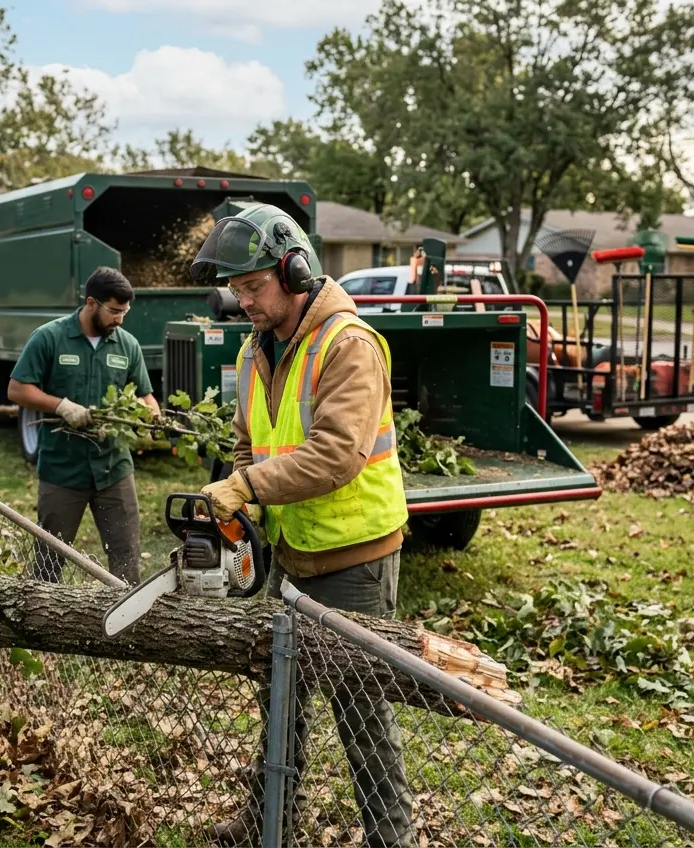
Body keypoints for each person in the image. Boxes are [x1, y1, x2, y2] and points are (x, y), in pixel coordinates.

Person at [192, 203, 414, 847]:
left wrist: (249, 486)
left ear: (294, 271)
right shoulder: (253, 352)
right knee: (280, 695)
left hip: (353, 556)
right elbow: (246, 446)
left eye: (253, 287)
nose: (244, 303)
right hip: (292, 550)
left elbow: (336, 454)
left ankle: (389, 838)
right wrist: (247, 503)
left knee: (361, 708)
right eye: (235, 291)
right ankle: (272, 817)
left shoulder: (349, 345)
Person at [7, 266, 161, 585]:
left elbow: (146, 394)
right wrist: (61, 406)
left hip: (113, 468)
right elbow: (17, 389)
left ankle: (125, 622)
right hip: (63, 469)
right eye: (115, 311)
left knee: (126, 555)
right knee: (50, 558)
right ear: (91, 303)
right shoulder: (49, 337)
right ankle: (42, 619)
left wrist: (151, 417)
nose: (120, 319)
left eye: (125, 312)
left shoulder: (127, 345)